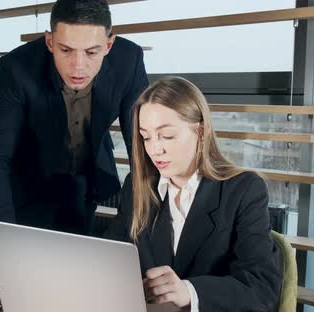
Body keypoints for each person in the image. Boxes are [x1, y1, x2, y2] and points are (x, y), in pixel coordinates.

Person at [105, 77, 281, 311]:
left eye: (166, 136)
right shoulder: (137, 187)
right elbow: (109, 259)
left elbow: (262, 289)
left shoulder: (243, 190)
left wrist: (188, 291)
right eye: (146, 137)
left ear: (200, 131)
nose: (155, 149)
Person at [0, 0, 148, 235]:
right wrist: (2, 237)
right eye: (66, 50)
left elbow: (140, 146)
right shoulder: (15, 68)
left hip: (85, 181)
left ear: (108, 44)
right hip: (27, 183)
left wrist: (145, 229)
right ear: (50, 42)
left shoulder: (128, 61)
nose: (78, 66)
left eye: (91, 52)